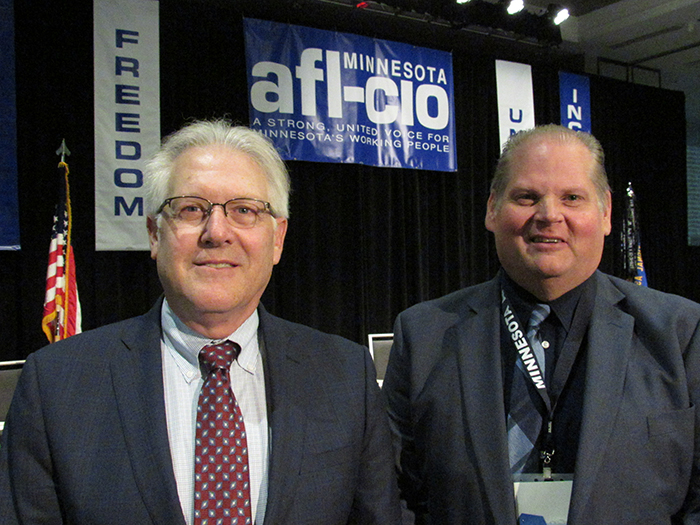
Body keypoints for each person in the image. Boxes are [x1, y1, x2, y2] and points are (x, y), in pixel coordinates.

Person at [0, 119, 402, 525]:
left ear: (277, 238)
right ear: (154, 235)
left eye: (244, 210)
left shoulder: (345, 376)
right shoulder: (56, 385)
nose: (216, 232)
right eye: (191, 209)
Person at [383, 124, 700, 524]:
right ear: (492, 209)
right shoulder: (423, 334)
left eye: (572, 197)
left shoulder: (681, 333)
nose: (549, 215)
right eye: (527, 197)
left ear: (605, 213)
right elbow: (393, 494)